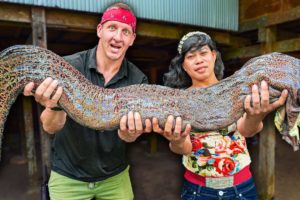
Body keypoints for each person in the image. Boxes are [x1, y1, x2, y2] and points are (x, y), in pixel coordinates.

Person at [23, 2, 152, 200]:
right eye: (112, 28)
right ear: (99, 30)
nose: (118, 37)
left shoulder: (138, 80)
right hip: (68, 177)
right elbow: (50, 127)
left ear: (132, 39)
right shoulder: (66, 66)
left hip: (114, 177)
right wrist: (55, 104)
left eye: (126, 31)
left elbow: (129, 138)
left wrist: (131, 133)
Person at [152, 31, 288, 199]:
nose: (199, 60)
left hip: (242, 189)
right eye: (191, 56)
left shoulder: (235, 89)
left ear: (214, 55)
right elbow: (184, 148)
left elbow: (246, 131)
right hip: (198, 191)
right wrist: (177, 140)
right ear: (183, 65)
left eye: (203, 53)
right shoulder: (179, 100)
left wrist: (255, 116)